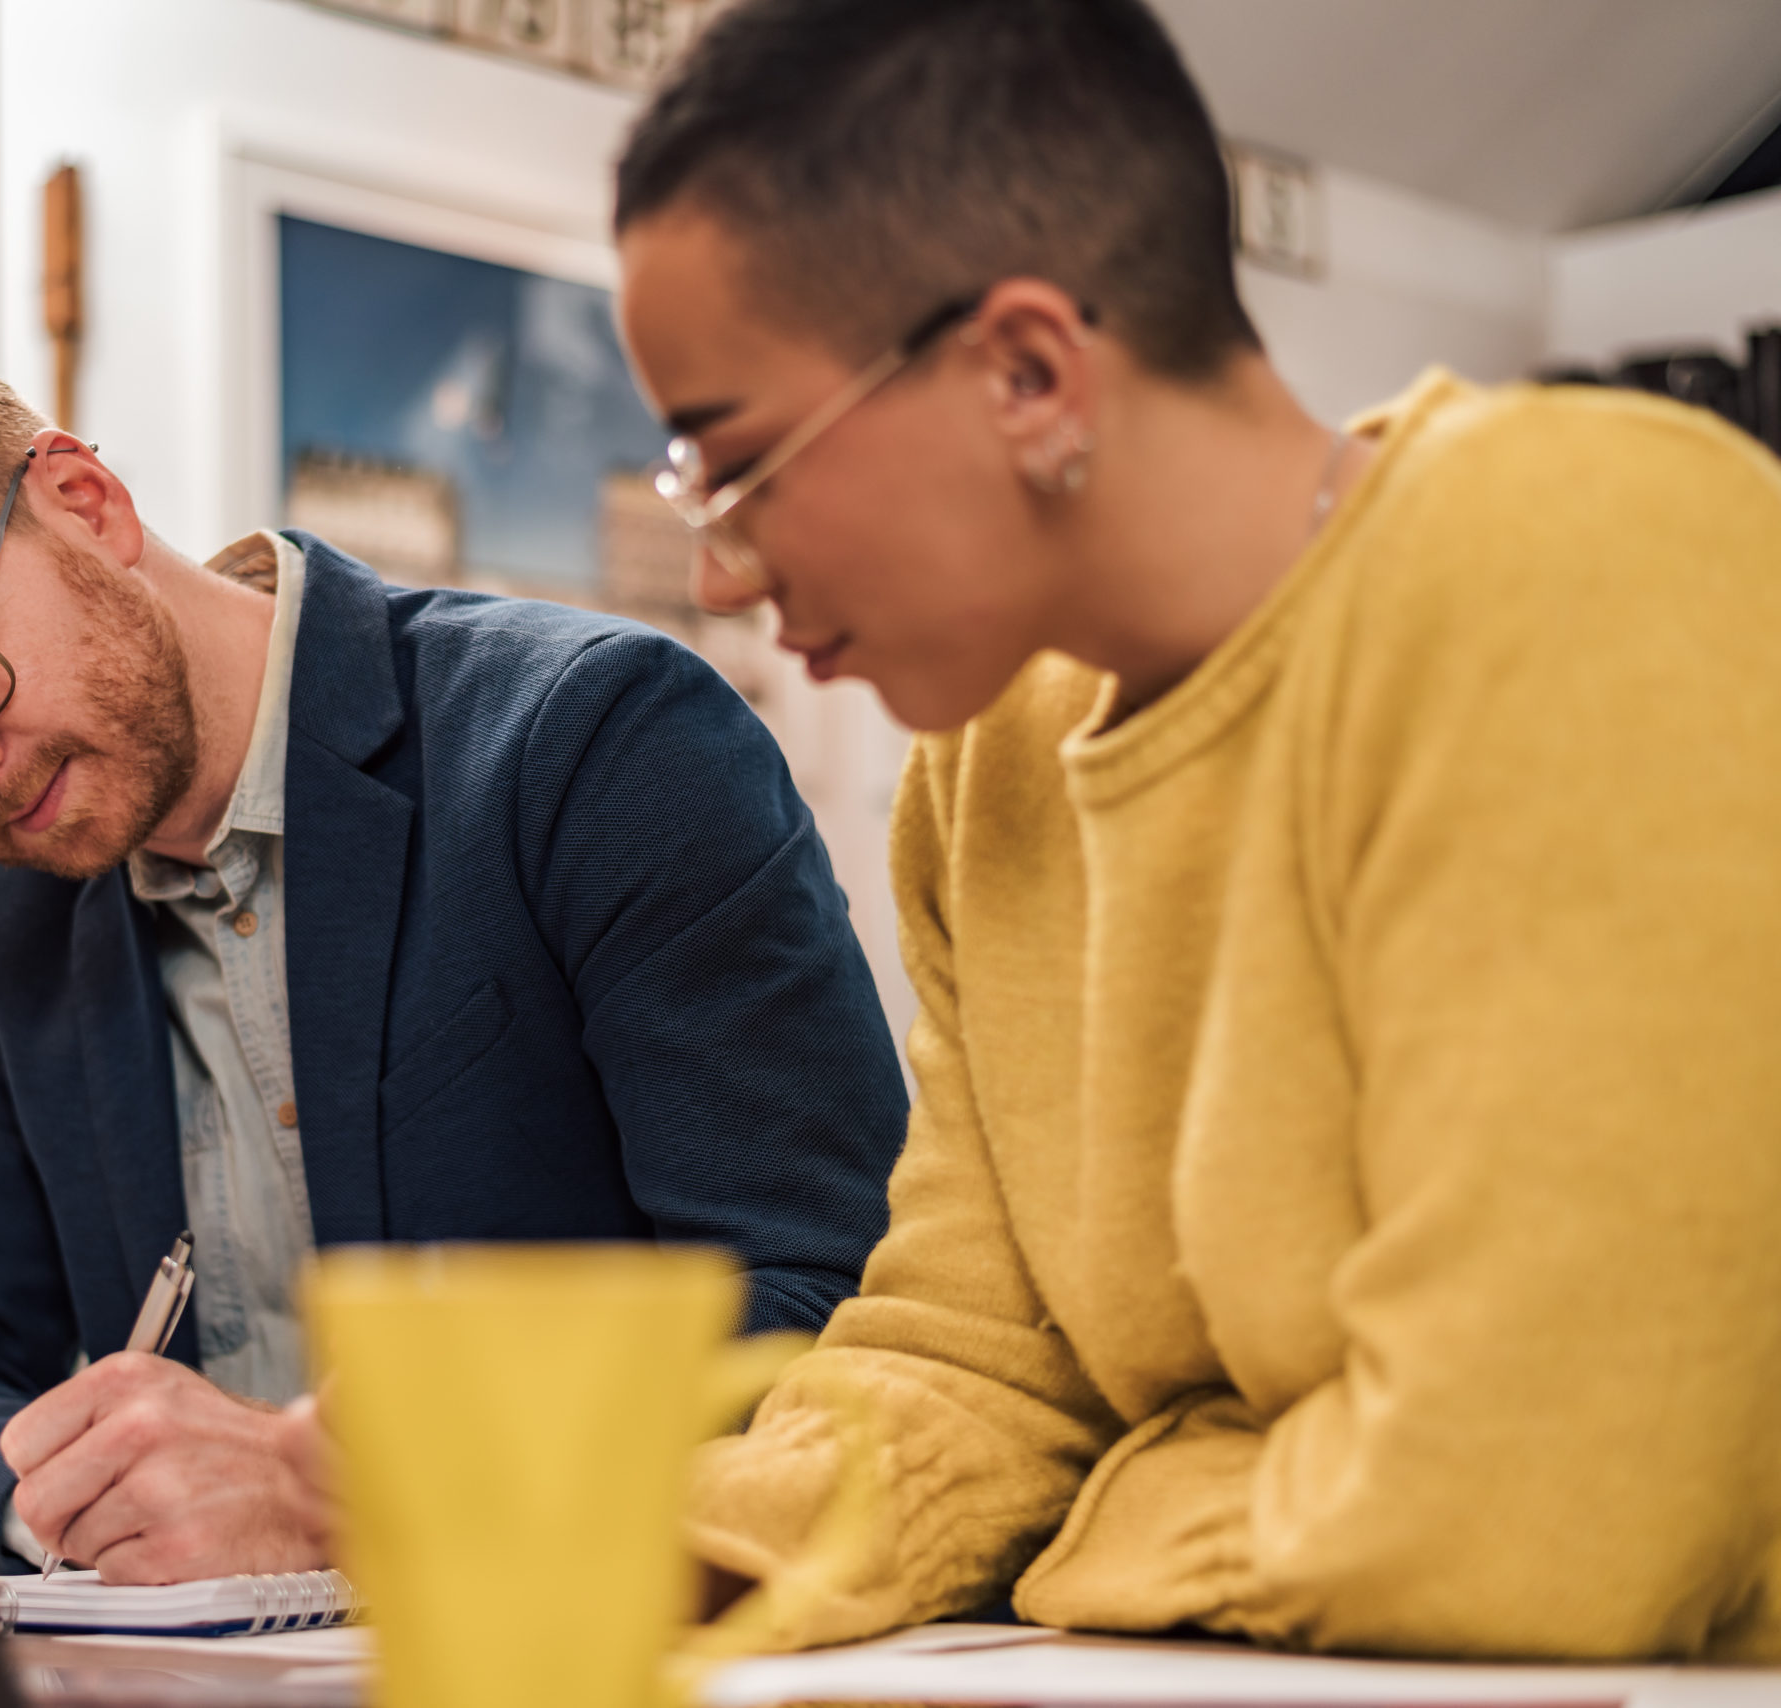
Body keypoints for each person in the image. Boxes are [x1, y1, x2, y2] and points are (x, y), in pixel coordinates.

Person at [612, 0, 1781, 1664]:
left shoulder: (1589, 553)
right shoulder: (988, 763)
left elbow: (1537, 1512)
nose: (719, 571)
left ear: (1027, 371)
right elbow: (969, 1365)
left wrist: (1122, 1489)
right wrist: (615, 1539)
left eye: (736, 465)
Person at [0, 337, 910, 1582]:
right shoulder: (34, 907)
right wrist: (75, 1510)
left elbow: (831, 1305)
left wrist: (358, 1487)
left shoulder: (590, 742)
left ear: (83, 504)